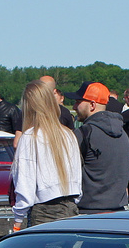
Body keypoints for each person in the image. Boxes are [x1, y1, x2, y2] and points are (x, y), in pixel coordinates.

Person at [11, 80, 82, 230]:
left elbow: (25, 184)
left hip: (44, 213)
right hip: (71, 208)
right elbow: (77, 177)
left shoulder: (30, 137)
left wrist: (18, 220)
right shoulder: (69, 134)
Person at [63, 81, 129, 214]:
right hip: (118, 211)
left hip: (88, 212)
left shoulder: (84, 133)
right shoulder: (123, 133)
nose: (74, 106)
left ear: (92, 105)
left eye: (78, 102)